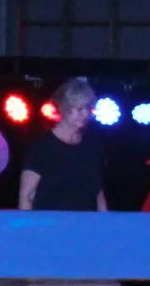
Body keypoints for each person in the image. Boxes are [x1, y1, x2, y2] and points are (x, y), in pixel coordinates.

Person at [19, 78, 108, 212]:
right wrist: (27, 224)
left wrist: (104, 220)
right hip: (50, 222)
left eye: (88, 108)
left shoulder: (92, 147)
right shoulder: (42, 148)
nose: (85, 114)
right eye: (79, 109)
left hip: (86, 222)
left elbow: (98, 195)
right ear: (64, 108)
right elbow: (26, 196)